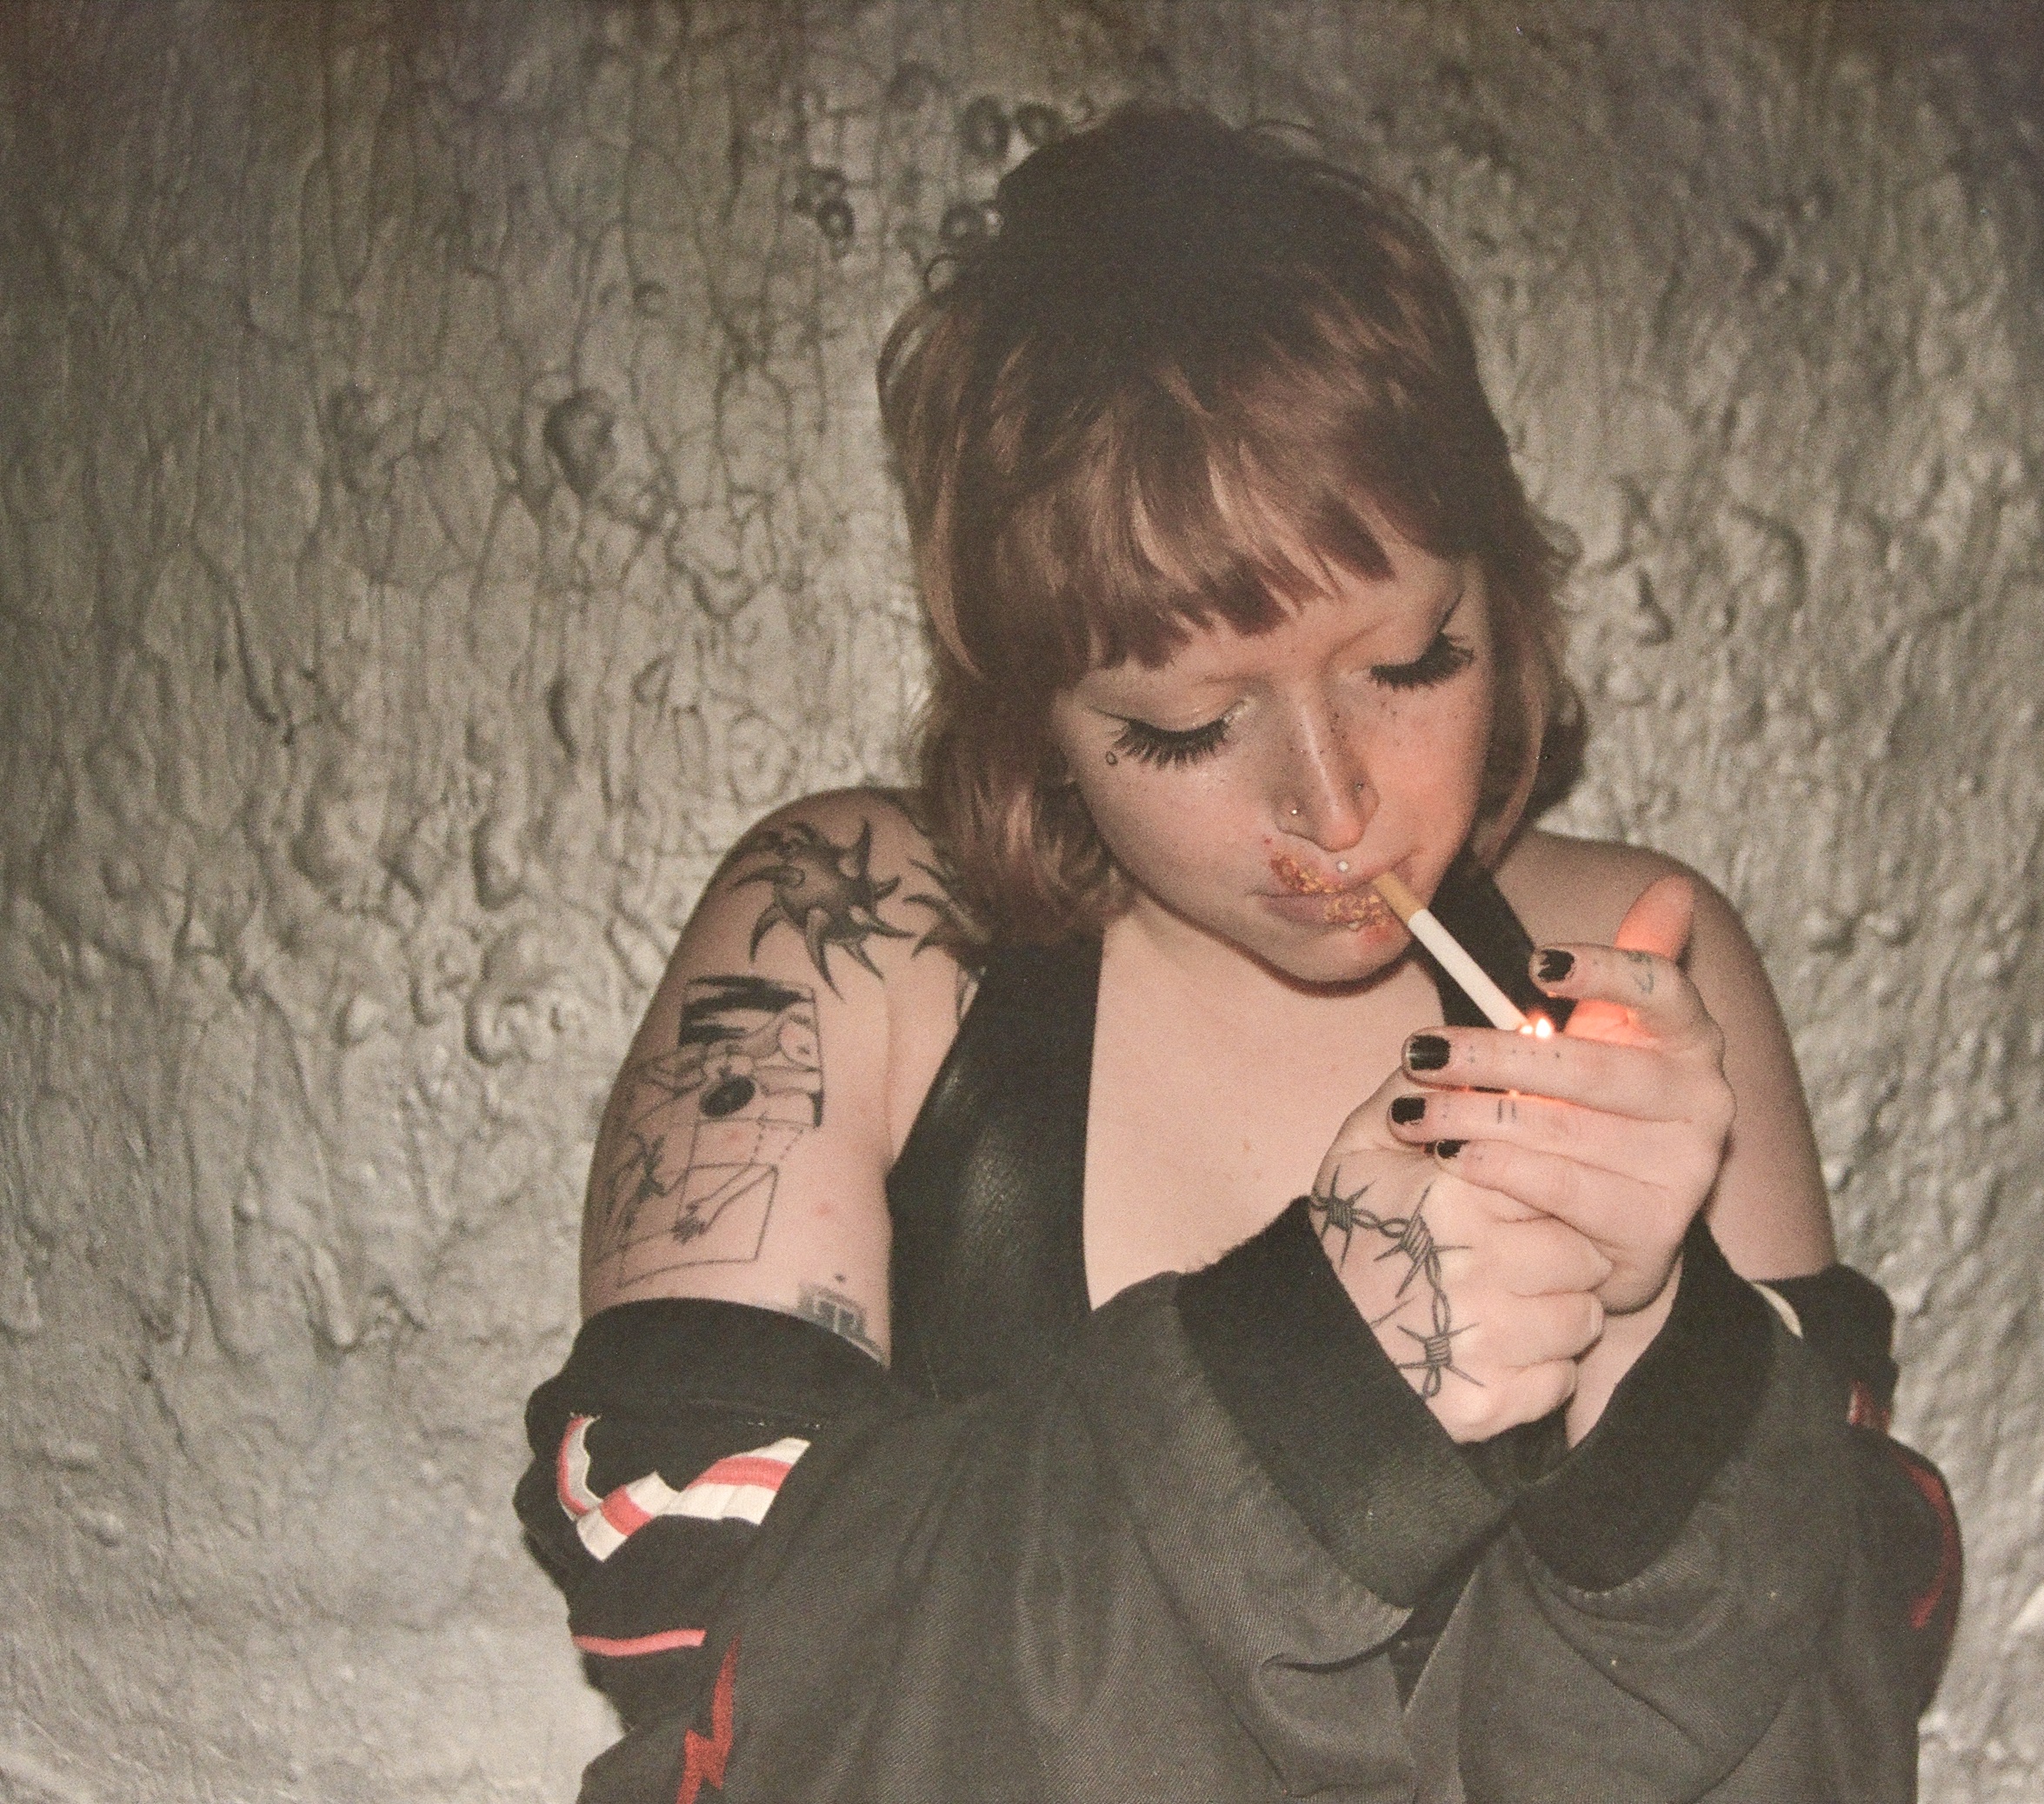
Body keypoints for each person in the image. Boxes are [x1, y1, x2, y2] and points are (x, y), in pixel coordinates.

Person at [518, 106, 1957, 1802]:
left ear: (1502, 600)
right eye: (1187, 725)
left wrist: (1659, 1379)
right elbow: (713, 1667)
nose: (1333, 809)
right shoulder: (853, 932)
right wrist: (1308, 1391)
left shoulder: (1635, 951)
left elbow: (1848, 1686)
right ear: (1031, 714)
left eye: (1409, 663)